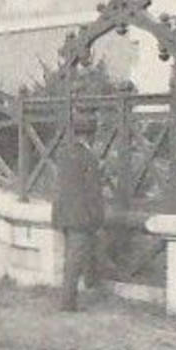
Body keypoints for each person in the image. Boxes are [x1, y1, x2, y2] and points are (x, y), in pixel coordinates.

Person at [51, 113, 106, 312]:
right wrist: (98, 217)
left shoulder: (64, 154)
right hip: (81, 217)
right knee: (76, 259)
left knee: (71, 258)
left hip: (64, 214)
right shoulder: (89, 158)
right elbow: (92, 191)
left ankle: (76, 294)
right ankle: (68, 303)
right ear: (90, 136)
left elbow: (61, 185)